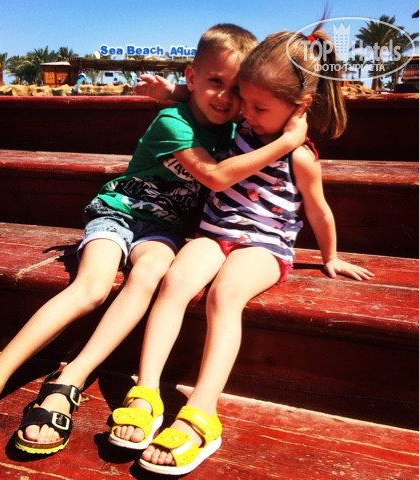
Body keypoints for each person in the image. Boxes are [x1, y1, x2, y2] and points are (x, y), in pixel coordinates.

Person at [0, 24, 308, 466]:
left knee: (150, 275)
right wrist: (287, 142)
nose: (225, 97)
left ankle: (70, 379)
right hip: (119, 213)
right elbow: (215, 176)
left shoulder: (231, 127)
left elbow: (254, 101)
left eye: (235, 89)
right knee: (92, 288)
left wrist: (181, 91)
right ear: (192, 76)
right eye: (215, 82)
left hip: (164, 230)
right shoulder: (171, 122)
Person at [111, 29, 375, 475]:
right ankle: (148, 390)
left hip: (264, 245)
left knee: (225, 294)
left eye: (257, 107)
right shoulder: (244, 125)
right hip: (215, 233)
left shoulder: (300, 156)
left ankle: (201, 411)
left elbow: (319, 210)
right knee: (175, 281)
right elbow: (204, 98)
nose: (244, 113)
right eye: (244, 102)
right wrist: (170, 92)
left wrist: (330, 256)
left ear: (299, 107)